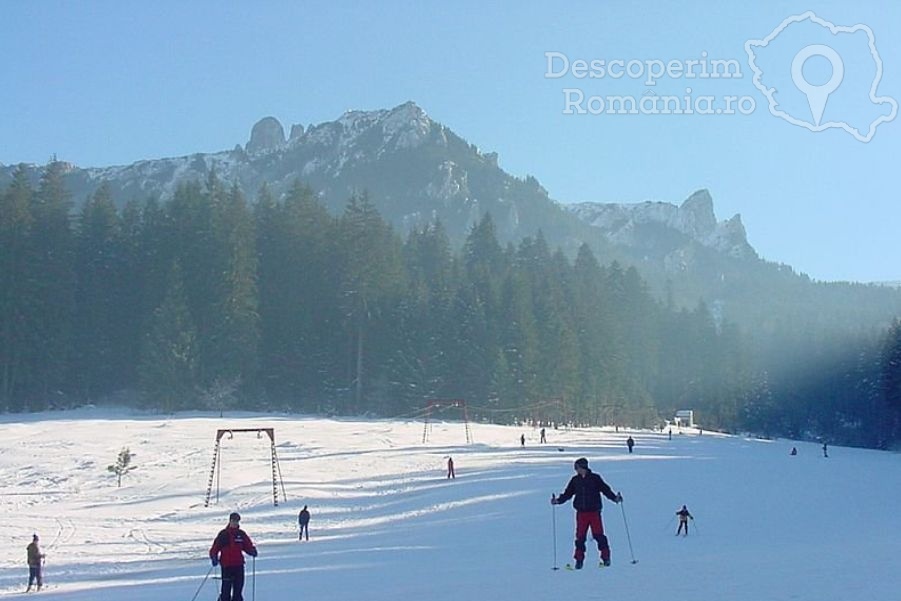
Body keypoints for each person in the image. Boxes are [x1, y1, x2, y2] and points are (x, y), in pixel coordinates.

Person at [550, 457, 622, 569]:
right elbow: (568, 494)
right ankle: (579, 561)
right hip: (581, 513)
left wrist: (615, 498)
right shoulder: (575, 480)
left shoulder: (595, 478)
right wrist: (558, 501)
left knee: (599, 535)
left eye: (577, 467)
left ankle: (606, 558)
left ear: (583, 467)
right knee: (580, 538)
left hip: (594, 512)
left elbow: (605, 490)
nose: (576, 470)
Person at [210, 512, 258, 601]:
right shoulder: (223, 534)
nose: (235, 523)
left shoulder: (241, 534)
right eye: (233, 521)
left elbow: (247, 546)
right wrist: (214, 557)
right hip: (226, 566)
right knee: (225, 591)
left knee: (238, 591)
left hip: (238, 565)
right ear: (230, 521)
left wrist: (252, 551)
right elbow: (215, 548)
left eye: (236, 521)